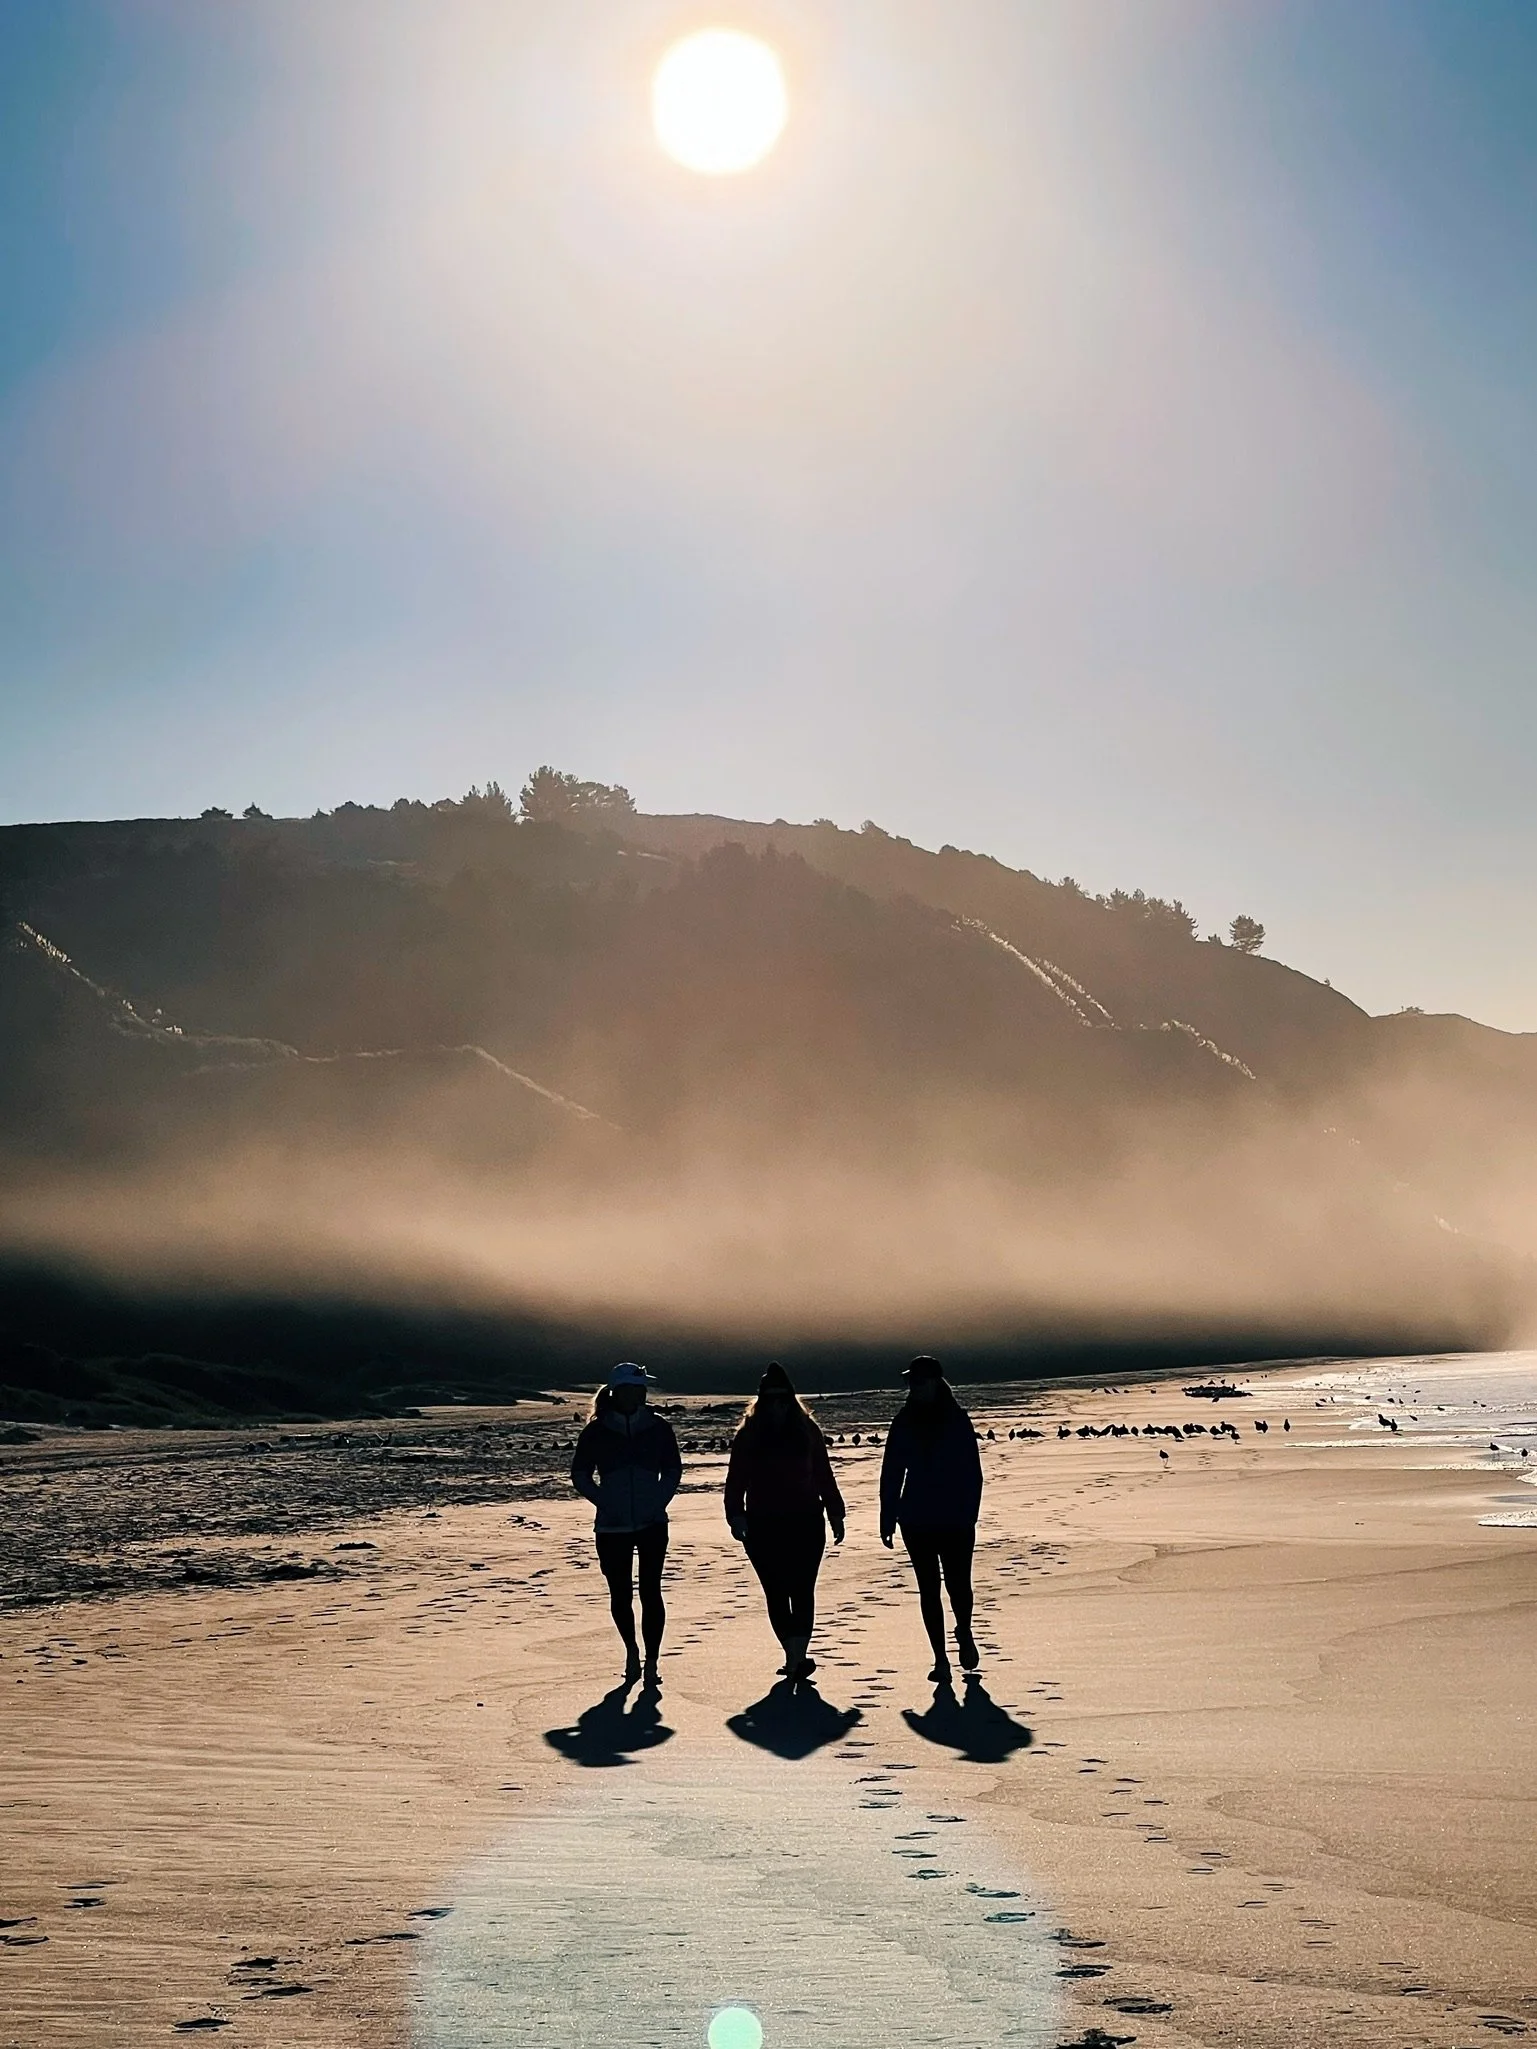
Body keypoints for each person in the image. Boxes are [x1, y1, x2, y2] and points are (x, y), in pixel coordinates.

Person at [725, 1363, 845, 1683]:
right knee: (776, 1591)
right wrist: (735, 1515)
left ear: (791, 1400)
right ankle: (794, 1656)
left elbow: (823, 1473)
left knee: (802, 1590)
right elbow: (735, 1480)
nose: (777, 1405)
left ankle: (796, 1657)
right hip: (762, 1524)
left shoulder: (807, 1431)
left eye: (783, 1399)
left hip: (805, 1521)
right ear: (762, 1400)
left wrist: (835, 1512)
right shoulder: (748, 1435)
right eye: (771, 1399)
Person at [570, 1362, 682, 1685]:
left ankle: (652, 1661)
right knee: (620, 1595)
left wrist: (657, 1502)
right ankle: (632, 1652)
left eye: (643, 1388)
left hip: (652, 1524)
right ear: (620, 1392)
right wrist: (606, 1503)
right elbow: (580, 1474)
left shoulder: (659, 1429)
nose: (643, 1393)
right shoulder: (596, 1431)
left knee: (651, 1592)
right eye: (637, 1388)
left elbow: (673, 1470)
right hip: (611, 1527)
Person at [880, 1355, 983, 1680]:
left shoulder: (956, 1418)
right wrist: (887, 1514)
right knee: (928, 1588)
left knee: (958, 1586)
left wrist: (970, 1513)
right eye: (911, 1381)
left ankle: (963, 1631)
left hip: (955, 1516)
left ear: (936, 1382)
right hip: (916, 1517)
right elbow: (892, 1472)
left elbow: (973, 1472)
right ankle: (940, 1659)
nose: (914, 1387)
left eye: (919, 1381)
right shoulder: (904, 1421)